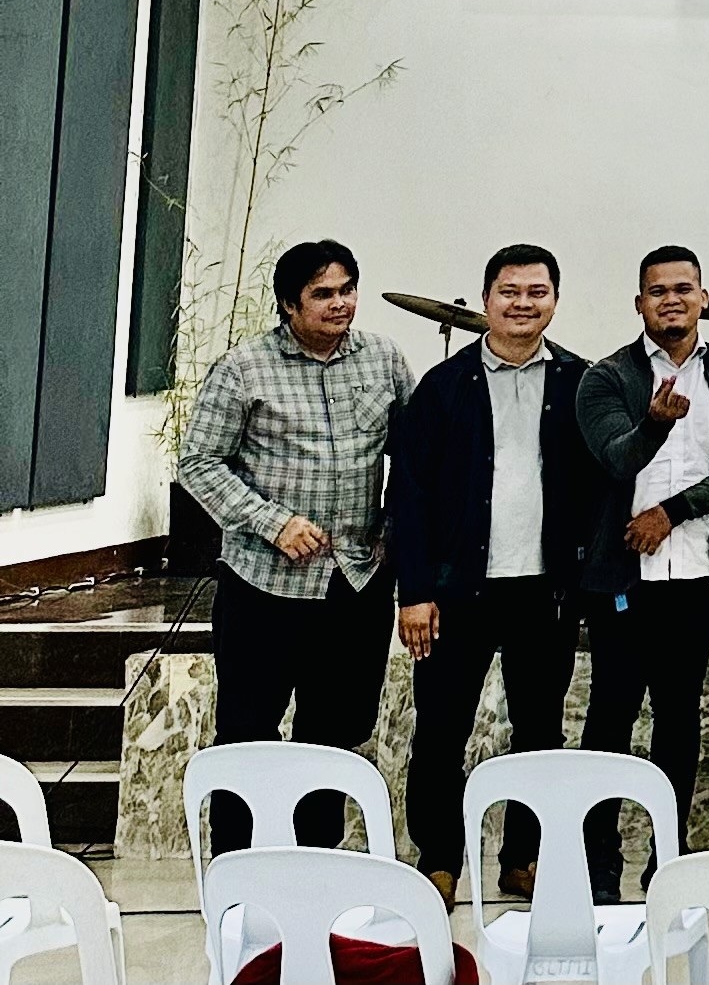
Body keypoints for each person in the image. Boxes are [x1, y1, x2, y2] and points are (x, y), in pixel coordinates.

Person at [179, 240, 412, 854]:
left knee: (332, 737)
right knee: (247, 732)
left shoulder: (384, 360)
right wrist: (271, 521)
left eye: (347, 290)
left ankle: (316, 867)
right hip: (264, 585)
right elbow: (199, 463)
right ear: (288, 305)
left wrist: (393, 530)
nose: (340, 304)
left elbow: (416, 457)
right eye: (323, 294)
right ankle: (237, 868)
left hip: (354, 582)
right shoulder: (244, 368)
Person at [389, 244, 594, 907]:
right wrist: (414, 591)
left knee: (539, 733)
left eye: (537, 291)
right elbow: (410, 496)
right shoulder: (443, 387)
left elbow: (601, 484)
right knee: (442, 728)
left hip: (546, 591)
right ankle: (440, 858)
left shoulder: (578, 382)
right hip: (455, 592)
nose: (523, 303)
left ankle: (522, 859)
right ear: (486, 300)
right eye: (510, 291)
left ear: (555, 301)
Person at [575, 245, 709, 902]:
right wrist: (654, 424)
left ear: (704, 298)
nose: (671, 300)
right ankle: (598, 859)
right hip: (621, 581)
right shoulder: (604, 377)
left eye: (683, 288)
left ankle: (668, 855)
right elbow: (612, 457)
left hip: (697, 576)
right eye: (657, 290)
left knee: (679, 716)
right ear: (640, 304)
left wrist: (674, 509)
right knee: (609, 716)